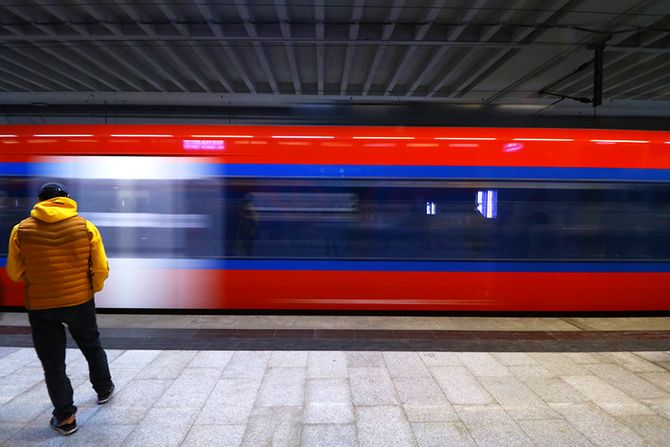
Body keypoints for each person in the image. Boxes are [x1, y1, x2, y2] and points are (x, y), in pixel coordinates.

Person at [6, 182, 114, 436]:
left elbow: (14, 271)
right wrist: (91, 288)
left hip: (41, 305)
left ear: (40, 202)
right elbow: (101, 268)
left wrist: (40, 281)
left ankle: (66, 417)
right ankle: (104, 388)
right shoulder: (85, 226)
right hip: (79, 301)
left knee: (53, 363)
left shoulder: (20, 230)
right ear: (66, 200)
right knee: (91, 346)